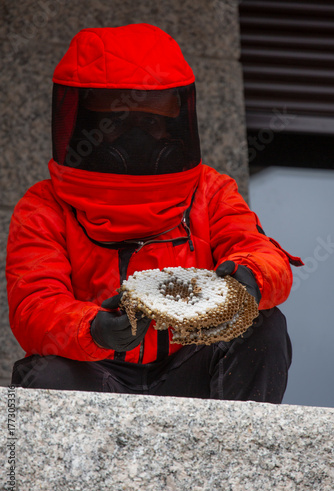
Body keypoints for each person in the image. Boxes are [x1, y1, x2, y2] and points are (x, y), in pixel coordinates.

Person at [6, 24, 303, 403]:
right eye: (118, 125)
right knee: (41, 374)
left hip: (190, 373)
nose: (137, 138)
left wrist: (249, 278)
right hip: (95, 375)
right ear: (88, 128)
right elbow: (33, 305)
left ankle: (240, 452)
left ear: (172, 127)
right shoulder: (44, 206)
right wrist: (92, 328)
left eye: (150, 122)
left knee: (263, 326)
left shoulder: (210, 191)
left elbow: (261, 253)